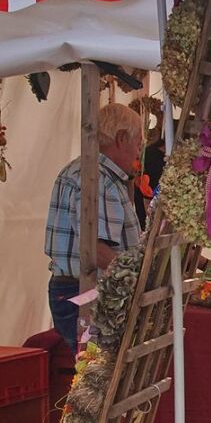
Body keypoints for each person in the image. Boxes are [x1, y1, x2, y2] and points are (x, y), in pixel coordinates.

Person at [44, 102, 144, 355]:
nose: (138, 152)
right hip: (86, 293)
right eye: (138, 143)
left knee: (95, 375)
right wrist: (141, 280)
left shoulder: (86, 170)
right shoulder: (97, 178)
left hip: (75, 290)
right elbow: (97, 251)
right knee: (98, 377)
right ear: (121, 138)